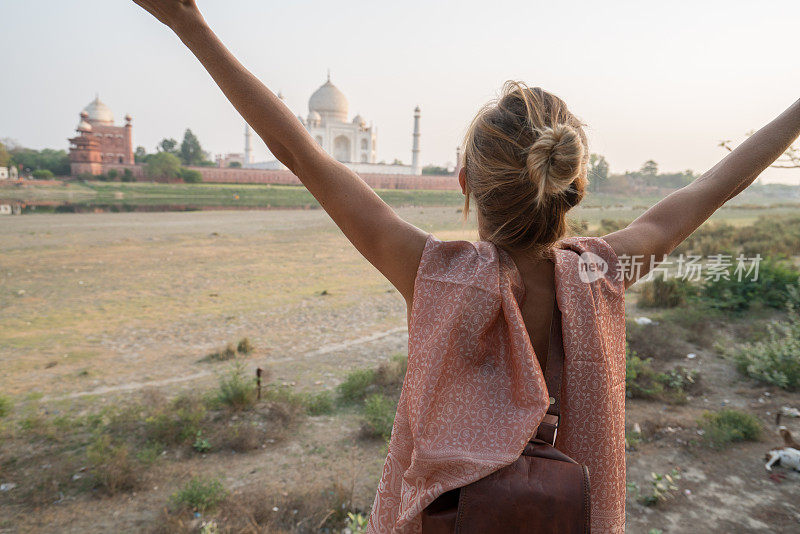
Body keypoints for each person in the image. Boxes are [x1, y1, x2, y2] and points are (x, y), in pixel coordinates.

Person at [132, 1, 800, 532]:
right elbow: (714, 186)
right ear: (576, 186)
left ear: (462, 182)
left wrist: (189, 23)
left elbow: (301, 152)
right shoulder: (602, 275)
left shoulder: (430, 272)